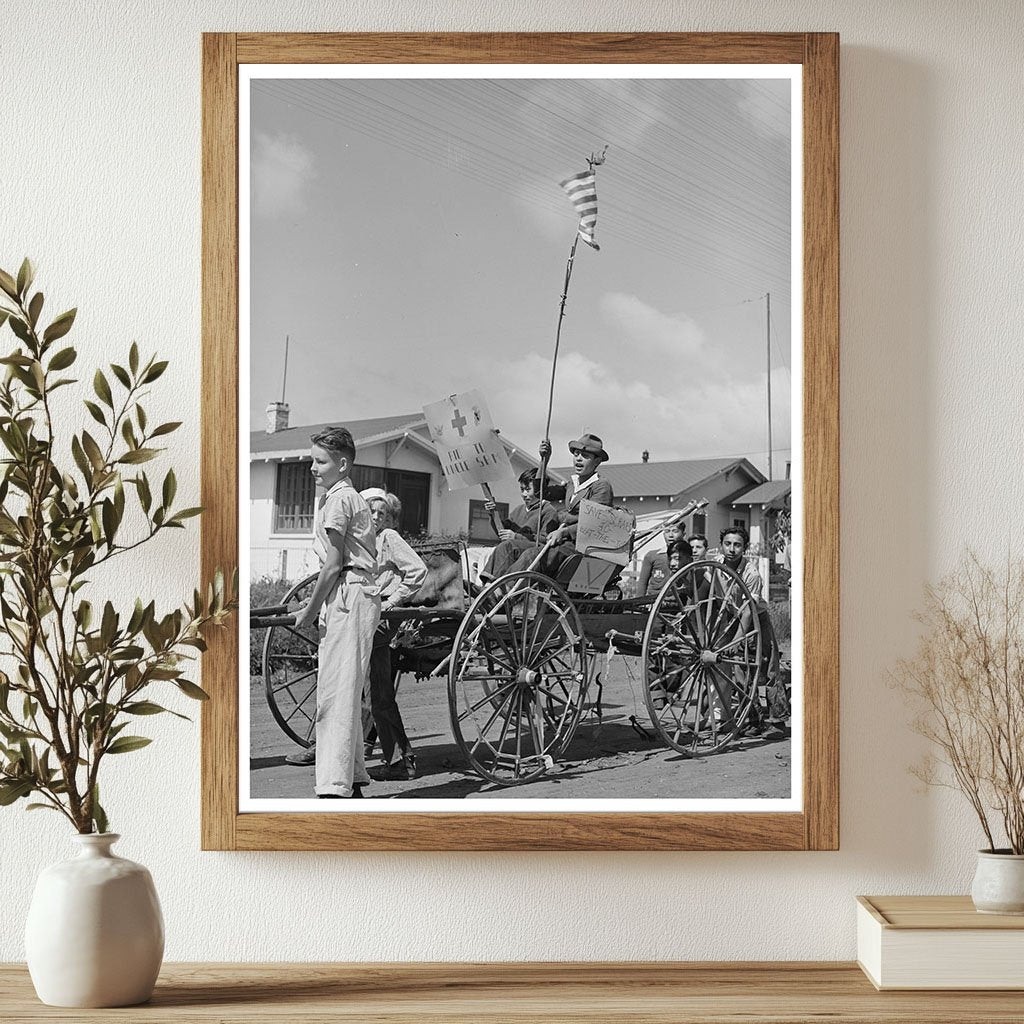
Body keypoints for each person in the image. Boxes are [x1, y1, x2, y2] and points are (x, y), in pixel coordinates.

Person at [290, 427, 380, 799]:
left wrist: (309, 611)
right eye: (312, 459)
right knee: (343, 686)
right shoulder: (338, 496)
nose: (312, 467)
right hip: (347, 592)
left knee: (337, 692)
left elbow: (332, 564)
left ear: (342, 464)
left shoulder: (340, 499)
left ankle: (334, 784)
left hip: (350, 592)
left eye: (320, 461)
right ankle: (353, 775)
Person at [361, 488, 427, 782]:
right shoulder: (362, 542)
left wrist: (392, 600)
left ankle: (402, 759)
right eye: (371, 512)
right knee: (374, 693)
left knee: (376, 693)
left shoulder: (389, 538)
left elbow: (416, 570)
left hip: (381, 620)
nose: (376, 517)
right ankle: (397, 757)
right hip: (365, 616)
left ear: (390, 519)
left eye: (382, 514)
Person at [508, 433, 615, 578]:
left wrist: (564, 532)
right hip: (559, 543)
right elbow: (540, 493)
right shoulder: (572, 484)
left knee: (532, 555)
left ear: (597, 461)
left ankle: (502, 593)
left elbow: (593, 525)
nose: (578, 458)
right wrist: (544, 460)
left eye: (585, 456)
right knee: (508, 547)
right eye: (576, 453)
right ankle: (489, 587)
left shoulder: (601, 486)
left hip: (580, 548)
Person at [479, 469, 561, 581]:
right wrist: (492, 513)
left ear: (540, 490)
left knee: (508, 546)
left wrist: (515, 537)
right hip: (514, 551)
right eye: (522, 490)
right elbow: (501, 531)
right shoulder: (519, 510)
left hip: (534, 555)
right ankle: (485, 586)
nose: (524, 494)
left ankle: (491, 586)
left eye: (528, 490)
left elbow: (545, 541)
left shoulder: (548, 511)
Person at [637, 521, 691, 598]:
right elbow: (642, 583)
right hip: (654, 603)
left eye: (675, 531)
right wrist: (638, 604)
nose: (670, 535)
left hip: (678, 604)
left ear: (683, 534)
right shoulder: (652, 556)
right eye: (667, 531)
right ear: (663, 534)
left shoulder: (687, 557)